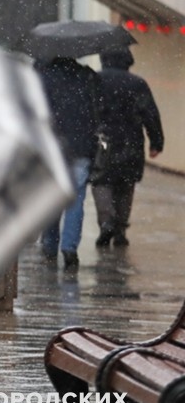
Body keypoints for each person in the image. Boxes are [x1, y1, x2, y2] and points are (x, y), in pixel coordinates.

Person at [92, 46, 164, 247]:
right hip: (131, 141)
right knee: (125, 184)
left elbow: (87, 112)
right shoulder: (138, 84)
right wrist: (157, 142)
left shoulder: (95, 80)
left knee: (101, 181)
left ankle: (106, 221)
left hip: (103, 141)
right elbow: (150, 114)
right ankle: (120, 229)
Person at [35, 56, 101, 267]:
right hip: (80, 147)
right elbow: (97, 112)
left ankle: (49, 245)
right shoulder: (87, 76)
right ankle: (69, 247)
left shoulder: (43, 78)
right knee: (76, 199)